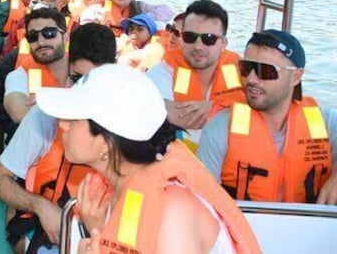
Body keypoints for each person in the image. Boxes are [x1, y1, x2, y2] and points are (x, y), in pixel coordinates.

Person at [38, 64, 261, 254]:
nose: (62, 125)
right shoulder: (114, 193)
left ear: (106, 142)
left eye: (73, 119)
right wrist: (96, 228)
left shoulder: (173, 211)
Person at [0, 24, 117, 254]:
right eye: (78, 80)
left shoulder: (131, 125)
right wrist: (41, 206)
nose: (84, 93)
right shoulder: (46, 115)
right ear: (69, 70)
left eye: (95, 83)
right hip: (52, 222)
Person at [198, 30, 337, 204]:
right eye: (246, 68)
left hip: (310, 227)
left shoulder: (326, 123)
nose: (251, 79)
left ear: (296, 76)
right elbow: (202, 201)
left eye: (265, 71)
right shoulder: (220, 128)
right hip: (244, 228)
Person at [147, 0, 246, 151]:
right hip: (180, 165)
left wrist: (213, 108)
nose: (198, 46)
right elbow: (158, 112)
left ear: (223, 44)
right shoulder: (162, 72)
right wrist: (231, 109)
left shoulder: (243, 73)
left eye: (208, 39)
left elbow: (261, 117)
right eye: (190, 37)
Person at [3, 7, 68, 125]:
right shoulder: (19, 75)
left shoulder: (85, 70)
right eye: (33, 36)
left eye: (49, 33)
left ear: (66, 37)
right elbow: (18, 113)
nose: (41, 42)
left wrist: (50, 100)